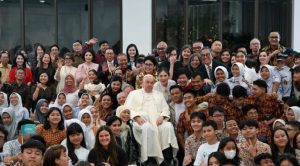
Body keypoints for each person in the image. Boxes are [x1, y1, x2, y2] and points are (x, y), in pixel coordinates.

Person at [125, 74, 178, 165]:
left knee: (168, 126)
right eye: (147, 82)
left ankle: (167, 157)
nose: (149, 84)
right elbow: (127, 109)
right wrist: (136, 117)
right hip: (140, 121)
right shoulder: (133, 94)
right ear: (142, 83)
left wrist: (162, 116)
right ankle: (149, 159)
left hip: (157, 121)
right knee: (147, 128)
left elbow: (165, 109)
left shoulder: (159, 94)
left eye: (152, 83)